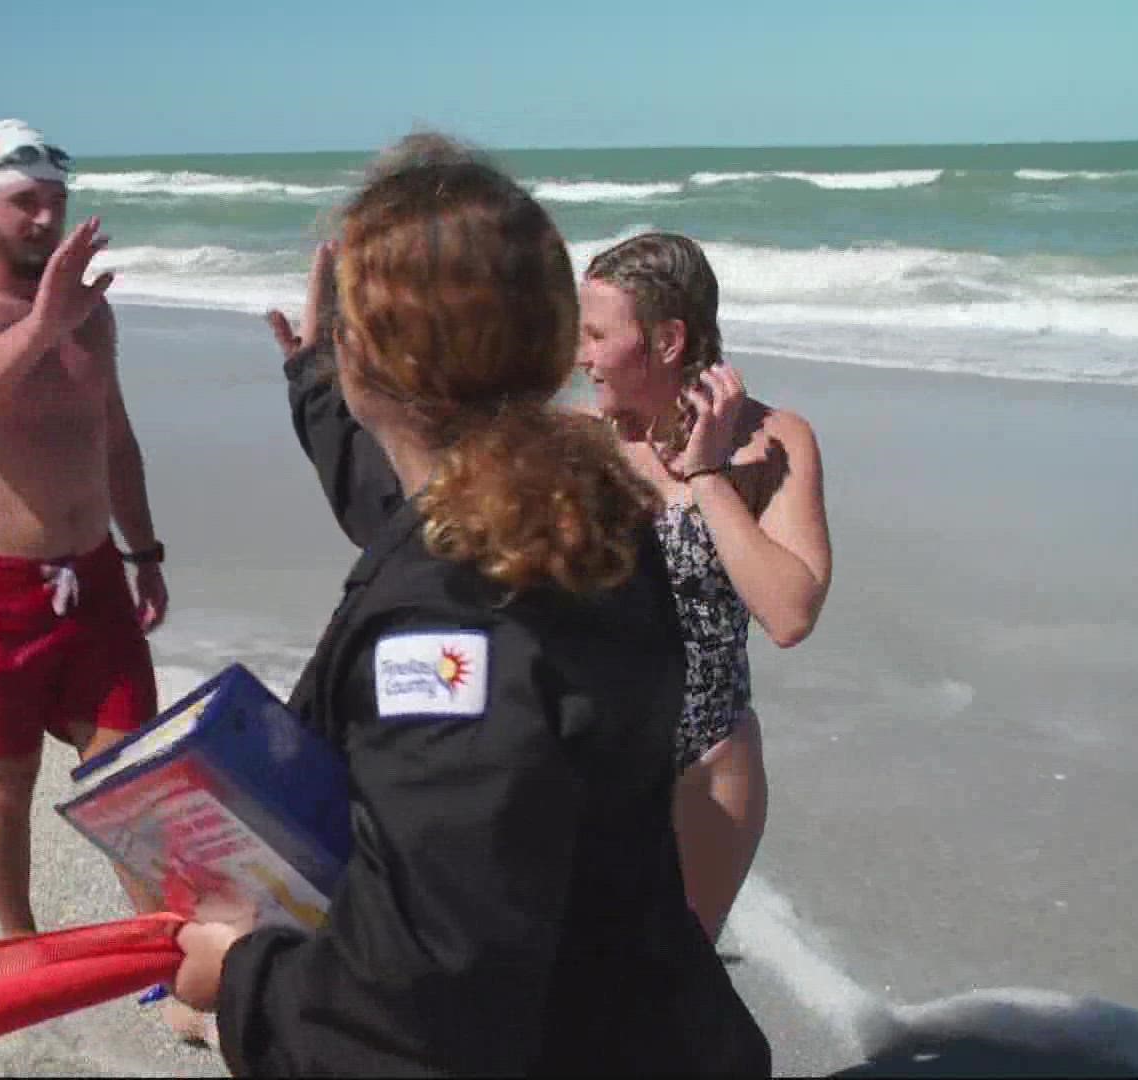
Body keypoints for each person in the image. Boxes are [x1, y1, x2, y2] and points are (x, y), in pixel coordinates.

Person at [171, 138, 770, 1075]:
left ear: (371, 354)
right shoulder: (580, 507)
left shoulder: (451, 621)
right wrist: (319, 387)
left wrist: (241, 979)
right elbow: (397, 504)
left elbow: (425, 1016)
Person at [0, 116, 190, 1032]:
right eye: (28, 201)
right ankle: (19, 946)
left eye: (56, 199)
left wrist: (142, 549)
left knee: (131, 776)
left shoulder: (91, 314)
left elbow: (117, 437)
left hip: (95, 575)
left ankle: (161, 951)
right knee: (7, 785)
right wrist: (45, 321)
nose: (47, 215)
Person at [576, 233, 832, 942]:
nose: (581, 356)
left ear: (666, 339)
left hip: (709, 767)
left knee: (672, 989)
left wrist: (708, 476)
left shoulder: (773, 442)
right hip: (595, 764)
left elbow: (789, 614)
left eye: (597, 334)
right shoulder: (580, 446)